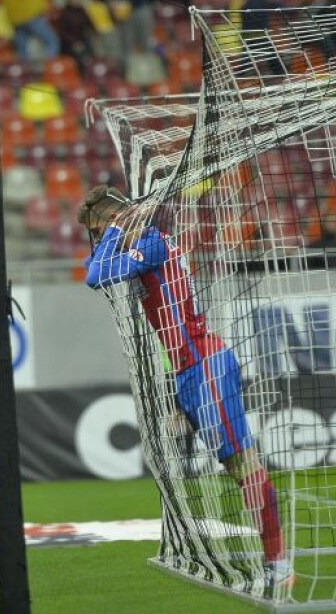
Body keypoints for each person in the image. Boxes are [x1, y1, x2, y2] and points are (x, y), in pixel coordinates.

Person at [78, 186, 290, 588]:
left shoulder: (151, 242)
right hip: (187, 372)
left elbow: (95, 275)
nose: (97, 239)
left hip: (207, 364)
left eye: (98, 229)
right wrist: (177, 392)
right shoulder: (142, 245)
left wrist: (111, 232)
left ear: (115, 221)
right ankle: (272, 558)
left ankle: (279, 563)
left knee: (245, 463)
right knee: (234, 466)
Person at [55, 0, 96, 68]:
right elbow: (62, 32)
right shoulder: (65, 13)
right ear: (69, 0)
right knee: (79, 54)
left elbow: (90, 23)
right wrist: (74, 42)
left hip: (83, 40)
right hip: (70, 44)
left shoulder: (82, 10)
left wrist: (94, 32)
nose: (76, 1)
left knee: (91, 51)